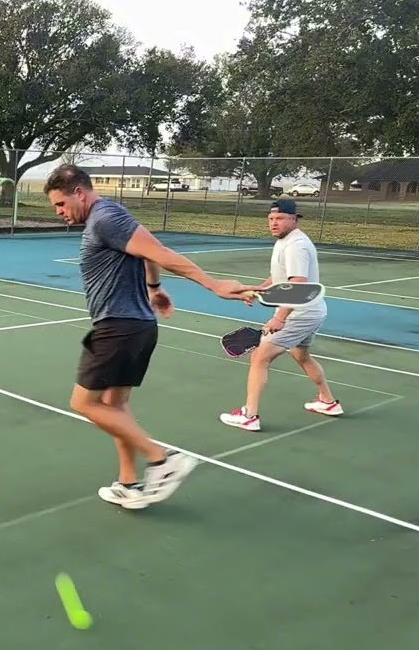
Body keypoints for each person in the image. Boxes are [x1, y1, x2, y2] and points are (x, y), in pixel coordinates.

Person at [43, 164, 260, 510]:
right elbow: (147, 250)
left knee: (83, 403)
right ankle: (129, 483)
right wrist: (154, 288)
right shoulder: (112, 213)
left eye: (60, 204)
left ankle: (162, 459)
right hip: (136, 325)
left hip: (118, 327)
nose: (59, 212)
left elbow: (160, 252)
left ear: (79, 193)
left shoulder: (104, 219)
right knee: (116, 405)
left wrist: (214, 284)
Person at [219, 199, 342, 431]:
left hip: (300, 313)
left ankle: (249, 415)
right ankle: (328, 402)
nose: (274, 223)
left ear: (294, 220)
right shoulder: (285, 242)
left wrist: (280, 318)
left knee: (260, 358)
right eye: (271, 219)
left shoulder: (297, 245)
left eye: (280, 219)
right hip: (310, 311)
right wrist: (256, 291)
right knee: (301, 356)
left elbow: (298, 284)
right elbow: (279, 277)